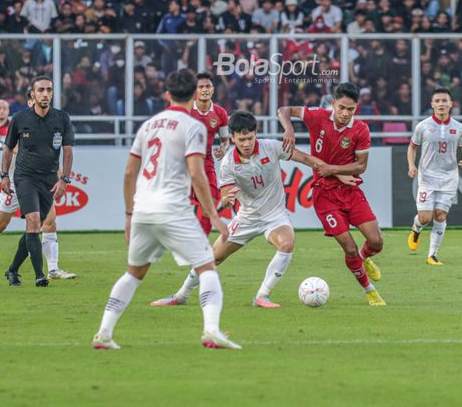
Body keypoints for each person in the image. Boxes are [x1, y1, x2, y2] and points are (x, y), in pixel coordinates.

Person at [92, 69, 240, 350]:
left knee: (134, 273)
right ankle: (211, 330)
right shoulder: (193, 126)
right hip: (173, 209)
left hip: (143, 210)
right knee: (208, 267)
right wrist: (214, 215)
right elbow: (197, 175)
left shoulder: (148, 125)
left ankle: (104, 333)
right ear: (195, 94)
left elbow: (128, 174)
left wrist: (128, 215)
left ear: (167, 95)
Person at [150, 111, 356, 309]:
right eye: (241, 139)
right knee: (213, 257)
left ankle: (262, 296)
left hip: (274, 216)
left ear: (255, 134)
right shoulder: (228, 163)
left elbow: (306, 159)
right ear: (232, 138)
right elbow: (225, 195)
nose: (246, 143)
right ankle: (181, 296)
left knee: (286, 243)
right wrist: (228, 199)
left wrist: (335, 172)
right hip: (247, 218)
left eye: (249, 138)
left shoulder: (272, 147)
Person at [278, 83, 387, 306]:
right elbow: (284, 110)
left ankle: (363, 260)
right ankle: (370, 291)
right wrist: (289, 129)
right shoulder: (317, 116)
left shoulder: (361, 129)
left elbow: (361, 166)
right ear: (333, 104)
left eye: (350, 109)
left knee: (376, 241)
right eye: (341, 108)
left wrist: (333, 169)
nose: (345, 114)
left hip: (350, 190)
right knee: (349, 247)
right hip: (324, 195)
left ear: (357, 108)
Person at [0, 98, 76, 281]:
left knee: (48, 222)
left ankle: (52, 269)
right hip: (16, 182)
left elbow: (49, 156)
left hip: (39, 181)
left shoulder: (45, 125)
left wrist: (61, 178)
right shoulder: (20, 122)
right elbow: (10, 149)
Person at [1, 76, 75, 287]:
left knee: (35, 228)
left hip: (49, 179)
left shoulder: (62, 118)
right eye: (41, 90)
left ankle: (13, 270)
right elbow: (8, 148)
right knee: (33, 222)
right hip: (25, 177)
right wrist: (4, 175)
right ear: (32, 94)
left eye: (49, 90)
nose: (45, 94)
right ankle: (39, 275)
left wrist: (64, 180)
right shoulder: (19, 118)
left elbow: (68, 152)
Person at [407, 87, 462, 265]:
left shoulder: (458, 128)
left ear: (451, 104)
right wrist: (412, 165)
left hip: (449, 177)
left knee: (441, 215)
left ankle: (432, 255)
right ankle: (416, 228)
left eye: (444, 101)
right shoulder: (423, 126)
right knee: (425, 218)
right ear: (432, 105)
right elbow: (412, 147)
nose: (441, 104)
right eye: (437, 101)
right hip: (427, 177)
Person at [188, 72, 230, 234]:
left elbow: (225, 139)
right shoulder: (186, 110)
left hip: (206, 162)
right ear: (195, 90)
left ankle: (200, 244)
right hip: (184, 163)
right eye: (201, 87)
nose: (205, 90)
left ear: (213, 89)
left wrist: (223, 148)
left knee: (211, 203)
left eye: (208, 86)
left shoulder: (220, 113)